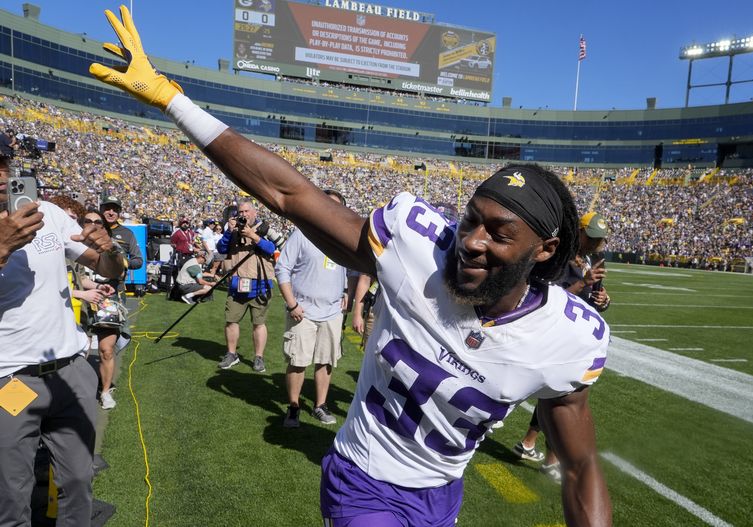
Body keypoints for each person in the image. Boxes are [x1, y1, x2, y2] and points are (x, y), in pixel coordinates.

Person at [89, 11, 612, 525]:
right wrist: (172, 100)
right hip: (362, 478)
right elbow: (290, 194)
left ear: (544, 251)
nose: (471, 242)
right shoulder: (416, 245)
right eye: (472, 219)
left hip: (441, 496)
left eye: (499, 234)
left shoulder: (569, 337)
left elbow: (581, 463)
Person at [0, 154, 126, 526]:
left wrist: (110, 250)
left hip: (69, 371)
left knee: (78, 482)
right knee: (12, 496)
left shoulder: (49, 214)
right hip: (10, 378)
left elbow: (105, 268)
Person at [515, 211, 611, 483]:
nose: (594, 244)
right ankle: (547, 457)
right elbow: (545, 297)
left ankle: (532, 445)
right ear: (578, 232)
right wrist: (584, 282)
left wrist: (602, 300)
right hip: (553, 334)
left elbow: (591, 300)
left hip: (574, 338)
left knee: (556, 395)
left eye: (599, 240)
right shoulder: (558, 256)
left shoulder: (590, 260)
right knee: (560, 396)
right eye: (590, 238)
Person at [275, 189, 348, 428]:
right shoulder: (303, 234)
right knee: (298, 360)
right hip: (302, 310)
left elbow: (348, 270)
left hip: (332, 312)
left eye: (335, 206)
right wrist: (291, 303)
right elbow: (282, 269)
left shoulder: (342, 238)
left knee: (326, 361)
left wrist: (346, 291)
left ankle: (320, 405)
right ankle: (294, 407)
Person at [215, 198, 276, 372]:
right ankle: (231, 354)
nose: (243, 215)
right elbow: (221, 249)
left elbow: (273, 249)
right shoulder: (233, 230)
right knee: (231, 320)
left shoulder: (264, 229)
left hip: (260, 282)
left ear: (254, 212)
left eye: (246, 211)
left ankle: (259, 357)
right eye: (240, 212)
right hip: (237, 282)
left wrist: (253, 236)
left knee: (259, 323)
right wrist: (229, 232)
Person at [80, 208, 126, 409]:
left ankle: (105, 391)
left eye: (98, 222)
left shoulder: (112, 246)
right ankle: (81, 390)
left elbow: (122, 267)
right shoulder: (71, 244)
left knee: (106, 350)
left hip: (107, 301)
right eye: (88, 221)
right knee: (81, 350)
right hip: (79, 302)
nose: (93, 224)